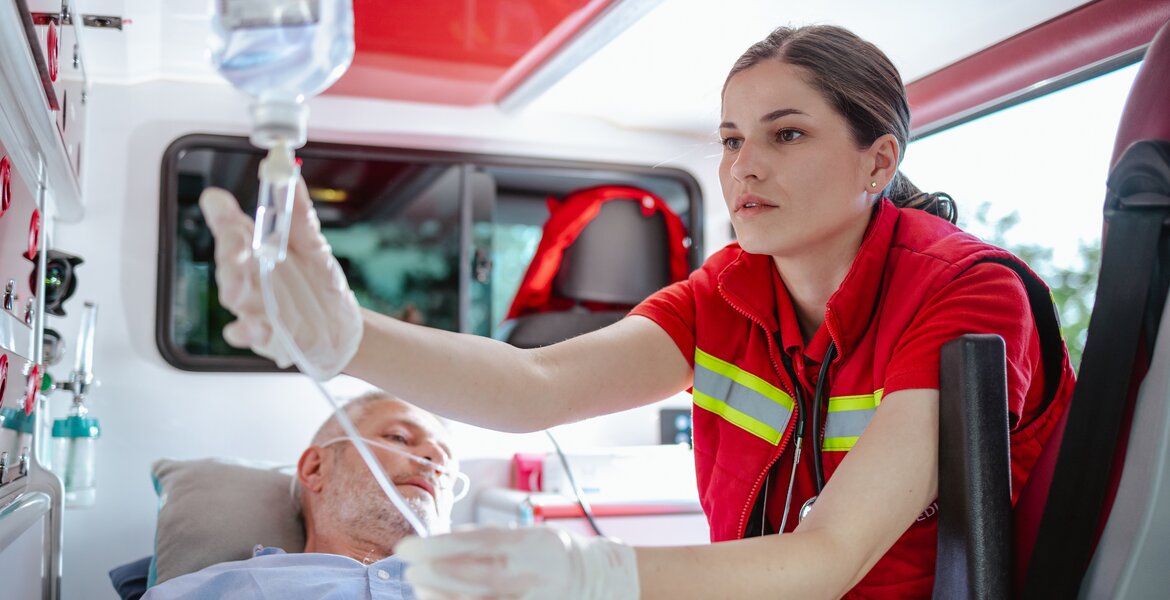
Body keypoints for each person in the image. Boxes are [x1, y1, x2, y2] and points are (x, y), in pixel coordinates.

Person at [199, 24, 1076, 599]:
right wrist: (347, 335)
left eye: (786, 134)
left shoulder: (966, 292)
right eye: (732, 140)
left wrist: (592, 575)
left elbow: (826, 560)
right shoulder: (728, 292)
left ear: (878, 161)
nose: (744, 168)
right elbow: (533, 384)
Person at [143, 391, 458, 600]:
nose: (436, 459)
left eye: (448, 463)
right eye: (399, 437)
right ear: (315, 468)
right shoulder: (211, 590)